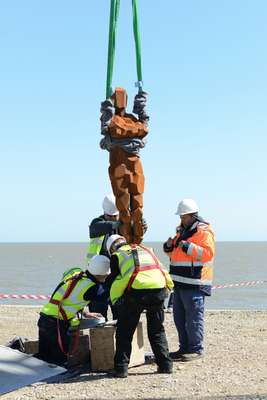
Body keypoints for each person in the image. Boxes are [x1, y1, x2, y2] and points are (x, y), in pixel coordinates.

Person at [106, 234, 174, 378]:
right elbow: (161, 268)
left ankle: (121, 369)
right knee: (157, 330)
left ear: (111, 248)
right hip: (159, 289)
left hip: (137, 292)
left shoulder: (117, 255)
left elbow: (116, 281)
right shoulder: (146, 249)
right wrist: (169, 286)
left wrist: (115, 300)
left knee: (125, 331)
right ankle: (165, 365)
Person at [163, 199, 215, 362]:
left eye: (184, 216)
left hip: (195, 282)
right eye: (181, 216)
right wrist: (169, 246)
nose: (181, 219)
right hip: (179, 282)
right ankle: (184, 348)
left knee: (193, 318)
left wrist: (186, 246)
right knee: (180, 318)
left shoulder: (203, 231)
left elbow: (207, 254)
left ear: (192, 215)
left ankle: (195, 349)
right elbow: (175, 256)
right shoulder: (182, 230)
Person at [36, 255, 110, 367]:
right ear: (103, 274)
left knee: (43, 357)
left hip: (45, 318)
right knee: (58, 362)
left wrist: (85, 313)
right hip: (56, 325)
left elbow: (70, 298)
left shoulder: (77, 275)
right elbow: (109, 298)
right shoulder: (93, 288)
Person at [86, 194, 120, 319]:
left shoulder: (123, 225)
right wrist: (117, 223)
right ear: (104, 213)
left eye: (114, 216)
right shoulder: (97, 223)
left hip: (117, 275)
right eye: (109, 216)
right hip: (98, 275)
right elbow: (97, 228)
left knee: (120, 313)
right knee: (98, 314)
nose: (111, 218)